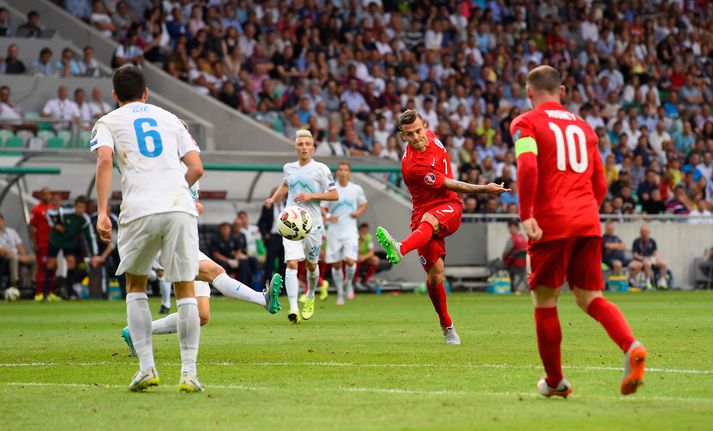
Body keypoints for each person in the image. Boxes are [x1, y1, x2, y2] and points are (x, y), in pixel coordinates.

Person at [511, 65, 646, 398]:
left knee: (544, 301)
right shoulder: (586, 129)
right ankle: (631, 347)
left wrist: (526, 212)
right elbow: (600, 181)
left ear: (530, 93)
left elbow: (527, 165)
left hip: (550, 223)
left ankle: (555, 382)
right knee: (591, 299)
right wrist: (585, 212)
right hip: (587, 220)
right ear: (563, 91)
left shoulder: (526, 123)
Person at [92, 65, 205, 393]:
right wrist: (179, 191)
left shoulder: (108, 121)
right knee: (186, 289)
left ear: (115, 96)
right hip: (178, 207)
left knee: (136, 285)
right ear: (146, 93)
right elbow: (196, 167)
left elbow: (103, 161)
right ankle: (189, 373)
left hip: (139, 208)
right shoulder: (170, 118)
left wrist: (102, 212)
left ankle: (147, 368)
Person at [376, 110, 509, 345]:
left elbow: (451, 188)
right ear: (402, 137)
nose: (417, 137)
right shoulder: (413, 166)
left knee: (430, 219)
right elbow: (451, 181)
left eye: (418, 130)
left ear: (425, 125)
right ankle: (447, 326)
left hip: (449, 206)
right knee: (435, 276)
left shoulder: (432, 136)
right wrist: (484, 188)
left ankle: (400, 248)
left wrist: (484, 189)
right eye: (409, 134)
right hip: (423, 213)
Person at [123, 174, 282, 357]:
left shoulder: (191, 172)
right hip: (165, 240)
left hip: (186, 241)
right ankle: (263, 299)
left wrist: (197, 206)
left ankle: (137, 332)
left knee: (201, 315)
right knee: (215, 271)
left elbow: (193, 203)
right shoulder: (163, 168)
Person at [264, 129, 338, 323]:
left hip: (312, 224)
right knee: (291, 263)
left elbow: (334, 195)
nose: (304, 148)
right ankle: (294, 308)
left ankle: (311, 295)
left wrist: (311, 196)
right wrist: (272, 199)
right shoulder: (288, 167)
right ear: (295, 147)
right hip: (291, 222)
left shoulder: (321, 169)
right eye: (300, 144)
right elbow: (286, 185)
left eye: (307, 144)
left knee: (312, 266)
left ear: (312, 147)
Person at [321, 162, 368, 304]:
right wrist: (329, 217)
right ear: (337, 173)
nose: (343, 172)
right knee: (336, 264)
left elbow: (363, 203)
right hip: (334, 231)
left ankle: (348, 284)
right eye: (340, 170)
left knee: (350, 261)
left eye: (345, 170)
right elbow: (322, 208)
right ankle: (340, 292)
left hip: (350, 231)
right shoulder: (330, 189)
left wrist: (358, 212)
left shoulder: (356, 189)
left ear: (349, 173)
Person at [45, 196, 98, 300]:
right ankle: (46, 293)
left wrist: (94, 254)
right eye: (78, 207)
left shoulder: (85, 219)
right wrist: (54, 225)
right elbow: (49, 213)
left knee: (71, 262)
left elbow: (90, 237)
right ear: (75, 206)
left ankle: (70, 293)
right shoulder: (64, 212)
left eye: (82, 208)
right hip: (56, 239)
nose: (80, 210)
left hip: (69, 241)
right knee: (51, 263)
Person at [29, 188, 57, 302]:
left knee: (53, 266)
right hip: (42, 243)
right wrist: (34, 243)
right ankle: (39, 293)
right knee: (42, 267)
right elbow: (31, 226)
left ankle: (50, 292)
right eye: (44, 194)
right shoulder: (36, 210)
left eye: (49, 194)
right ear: (41, 196)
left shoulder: (52, 209)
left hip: (53, 242)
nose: (47, 196)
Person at [0, 214, 36, 290]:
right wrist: (19, 257)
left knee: (34, 257)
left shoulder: (11, 231)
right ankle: (14, 283)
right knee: (13, 258)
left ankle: (33, 281)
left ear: (3, 220)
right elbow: (3, 250)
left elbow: (19, 245)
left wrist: (24, 255)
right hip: (5, 257)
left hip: (18, 255)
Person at [258, 188, 285, 286]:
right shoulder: (268, 206)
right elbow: (261, 223)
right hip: (272, 238)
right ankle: (267, 286)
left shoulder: (287, 205)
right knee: (270, 264)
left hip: (284, 238)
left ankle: (283, 289)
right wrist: (266, 235)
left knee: (284, 264)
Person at [628, 224, 668, 290]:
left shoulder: (652, 241)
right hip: (641, 261)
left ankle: (662, 281)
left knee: (664, 263)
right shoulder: (636, 241)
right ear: (640, 232)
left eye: (646, 232)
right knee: (647, 263)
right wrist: (644, 259)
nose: (644, 233)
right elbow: (635, 254)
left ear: (649, 232)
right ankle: (647, 281)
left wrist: (654, 258)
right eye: (643, 232)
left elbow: (655, 253)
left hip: (651, 260)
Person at [354, 222, 380, 291]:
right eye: (363, 231)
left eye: (366, 231)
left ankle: (366, 280)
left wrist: (364, 257)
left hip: (364, 257)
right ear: (359, 231)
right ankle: (356, 280)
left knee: (375, 260)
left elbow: (371, 252)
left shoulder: (369, 238)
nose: (364, 233)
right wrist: (362, 241)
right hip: (355, 256)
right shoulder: (355, 237)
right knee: (356, 259)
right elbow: (356, 250)